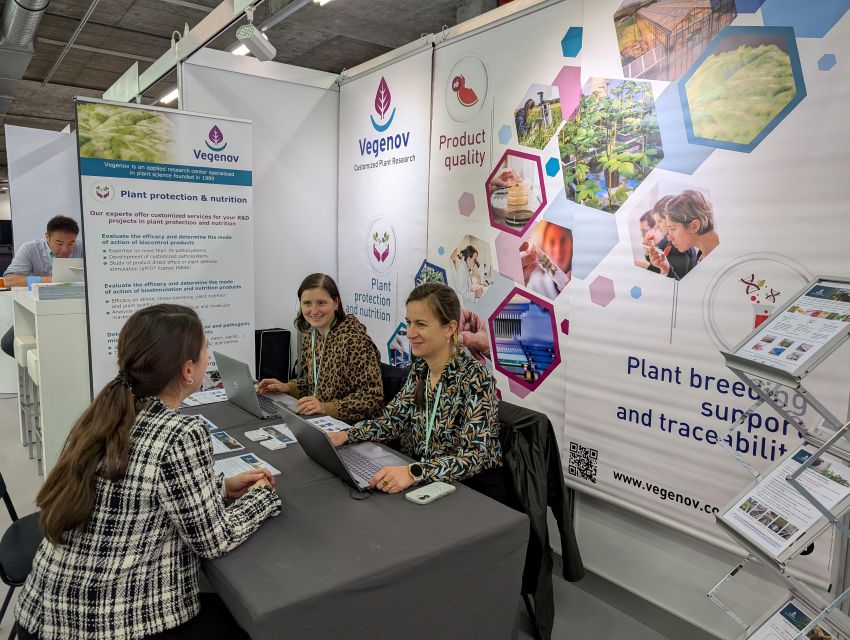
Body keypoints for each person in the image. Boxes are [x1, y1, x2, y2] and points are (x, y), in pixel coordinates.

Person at [15, 304, 280, 640]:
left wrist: (221, 487)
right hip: (112, 621)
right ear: (188, 370)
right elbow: (215, 540)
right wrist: (262, 499)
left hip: (45, 611)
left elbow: (137, 486)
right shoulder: (181, 434)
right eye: (204, 351)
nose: (206, 359)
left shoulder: (108, 414)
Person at [328, 283, 513, 506]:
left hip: (471, 491)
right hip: (429, 481)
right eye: (409, 322)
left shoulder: (476, 377)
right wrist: (348, 434)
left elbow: (472, 457)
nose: (410, 332)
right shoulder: (420, 369)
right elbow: (392, 421)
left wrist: (414, 472)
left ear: (449, 328)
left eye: (421, 324)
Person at [257, 273, 383, 422]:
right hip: (320, 420)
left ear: (336, 303)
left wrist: (326, 408)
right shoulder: (312, 334)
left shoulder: (355, 341)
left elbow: (372, 398)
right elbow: (313, 383)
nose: (314, 310)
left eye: (321, 303)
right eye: (307, 303)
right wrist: (287, 387)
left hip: (352, 428)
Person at [1, 215, 84, 357]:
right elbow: (9, 280)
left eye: (71, 243)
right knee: (9, 344)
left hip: (75, 308)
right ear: (47, 237)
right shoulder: (31, 248)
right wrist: (48, 280)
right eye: (59, 243)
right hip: (39, 308)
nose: (65, 249)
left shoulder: (82, 246)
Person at [646, 190, 716, 280]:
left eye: (672, 228)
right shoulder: (702, 256)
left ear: (694, 226)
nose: (670, 238)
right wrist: (667, 270)